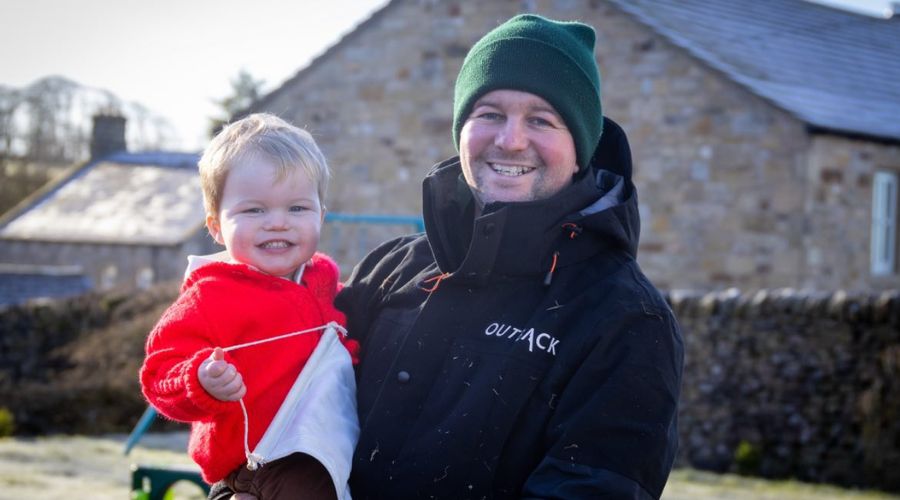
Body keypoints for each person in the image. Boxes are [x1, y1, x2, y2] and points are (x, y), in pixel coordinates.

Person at [212, 12, 683, 500]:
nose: (511, 139)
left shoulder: (626, 319)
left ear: (581, 146)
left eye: (541, 119)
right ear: (461, 127)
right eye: (490, 114)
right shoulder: (390, 270)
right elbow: (278, 418)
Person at [141, 113, 360, 500]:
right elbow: (159, 373)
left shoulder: (323, 281)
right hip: (260, 464)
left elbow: (336, 334)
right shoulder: (210, 296)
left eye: (297, 209)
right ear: (215, 225)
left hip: (324, 447)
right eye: (254, 210)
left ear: (321, 216)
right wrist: (199, 379)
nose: (278, 223)